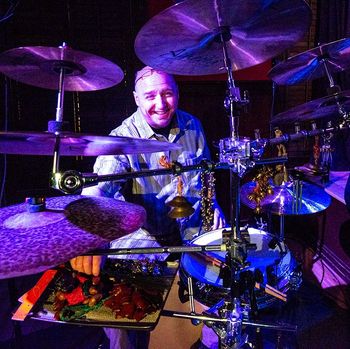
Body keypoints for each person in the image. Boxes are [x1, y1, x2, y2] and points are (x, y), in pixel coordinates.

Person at [70, 66, 226, 348]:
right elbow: (98, 189)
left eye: (167, 94)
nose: (160, 103)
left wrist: (213, 205)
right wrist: (88, 233)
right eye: (150, 95)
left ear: (177, 94)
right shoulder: (121, 137)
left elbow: (206, 176)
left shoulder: (193, 125)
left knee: (225, 280)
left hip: (189, 231)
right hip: (142, 238)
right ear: (136, 99)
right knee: (123, 310)